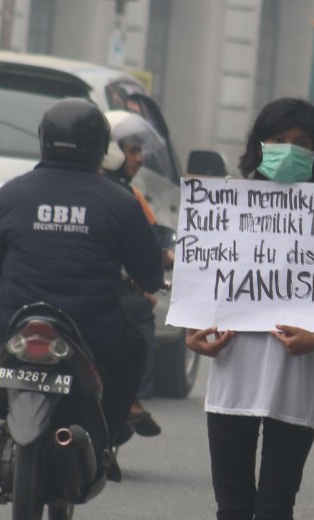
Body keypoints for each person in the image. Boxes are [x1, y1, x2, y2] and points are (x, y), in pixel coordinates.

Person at [0, 97, 164, 460]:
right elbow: (150, 275)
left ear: (44, 139)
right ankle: (106, 436)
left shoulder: (13, 193)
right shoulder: (121, 202)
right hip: (93, 328)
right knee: (133, 349)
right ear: (101, 148)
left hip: (15, 320)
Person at [185, 97, 314, 520]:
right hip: (233, 380)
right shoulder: (224, 206)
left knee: (274, 512)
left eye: (301, 142)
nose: (289, 150)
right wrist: (194, 333)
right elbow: (201, 280)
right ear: (258, 145)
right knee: (231, 511)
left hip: (296, 383)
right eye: (278, 140)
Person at [101, 109, 174, 438]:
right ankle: (129, 399)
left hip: (32, 299)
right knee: (142, 310)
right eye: (132, 150)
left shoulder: (31, 187)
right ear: (112, 151)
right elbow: (153, 254)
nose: (140, 159)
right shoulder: (126, 199)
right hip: (99, 301)